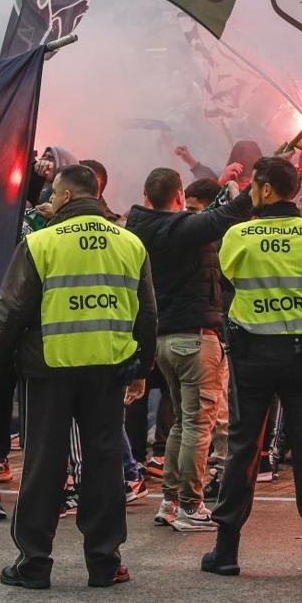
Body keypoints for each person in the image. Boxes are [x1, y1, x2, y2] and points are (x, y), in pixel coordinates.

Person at [0, 164, 158, 589]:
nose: (52, 200)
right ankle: (105, 562)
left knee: (43, 464)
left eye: (56, 193)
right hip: (108, 370)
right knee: (105, 463)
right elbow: (147, 314)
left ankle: (34, 563)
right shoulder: (130, 244)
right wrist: (140, 371)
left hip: (49, 369)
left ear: (70, 196)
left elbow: (9, 312)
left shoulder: (40, 242)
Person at [203, 156, 302, 578]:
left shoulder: (237, 235)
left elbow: (228, 283)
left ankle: (226, 551)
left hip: (251, 359)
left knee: (243, 449)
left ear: (263, 189)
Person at [126, 167, 252, 532]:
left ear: (146, 196)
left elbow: (211, 216)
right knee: (199, 424)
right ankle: (191, 505)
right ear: (180, 195)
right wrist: (246, 190)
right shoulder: (182, 229)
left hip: (163, 340)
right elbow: (226, 215)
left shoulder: (141, 228)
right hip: (195, 339)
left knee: (183, 422)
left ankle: (169, 500)